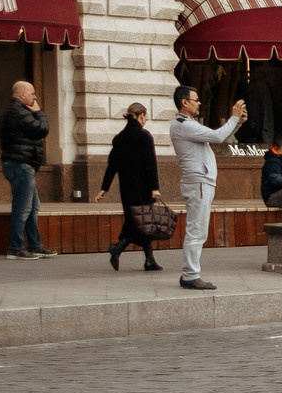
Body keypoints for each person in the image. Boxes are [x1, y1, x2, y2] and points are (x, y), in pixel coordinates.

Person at [167, 86, 244, 291]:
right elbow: (218, 137)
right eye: (196, 99)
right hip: (198, 181)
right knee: (197, 230)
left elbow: (216, 137)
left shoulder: (188, 124)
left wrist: (236, 123)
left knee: (197, 229)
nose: (199, 102)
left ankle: (190, 274)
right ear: (184, 102)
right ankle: (190, 275)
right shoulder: (183, 125)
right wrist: (234, 118)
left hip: (201, 180)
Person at [95, 101, 167, 271]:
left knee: (138, 221)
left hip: (126, 189)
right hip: (143, 187)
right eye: (146, 116)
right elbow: (150, 164)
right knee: (142, 221)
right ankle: (118, 247)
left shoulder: (119, 138)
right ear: (141, 115)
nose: (146, 120)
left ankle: (149, 260)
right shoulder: (144, 136)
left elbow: (112, 165)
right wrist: (154, 188)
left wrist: (104, 188)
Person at [0, 80, 49, 259]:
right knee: (23, 208)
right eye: (32, 93)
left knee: (32, 206)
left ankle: (35, 244)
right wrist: (39, 112)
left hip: (20, 163)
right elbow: (42, 129)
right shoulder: (19, 112)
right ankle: (15, 247)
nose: (35, 97)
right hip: (21, 164)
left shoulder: (14, 111)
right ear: (22, 95)